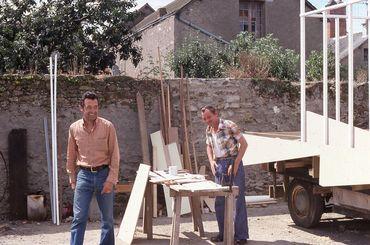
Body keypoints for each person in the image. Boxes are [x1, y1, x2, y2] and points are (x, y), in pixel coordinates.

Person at [66, 91, 120, 245]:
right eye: (89, 107)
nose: (93, 111)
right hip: (83, 175)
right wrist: (72, 177)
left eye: (95, 107)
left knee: (108, 219)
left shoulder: (108, 127)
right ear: (81, 108)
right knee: (79, 217)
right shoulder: (74, 128)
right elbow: (71, 155)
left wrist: (111, 179)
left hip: (104, 174)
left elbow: (115, 155)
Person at [201, 105, 249, 244]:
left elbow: (244, 144)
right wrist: (211, 161)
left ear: (216, 113)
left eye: (209, 117)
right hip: (219, 165)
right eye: (204, 119)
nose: (207, 120)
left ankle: (241, 237)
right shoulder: (209, 129)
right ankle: (224, 234)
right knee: (220, 201)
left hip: (233, 162)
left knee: (237, 200)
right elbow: (208, 146)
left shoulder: (229, 125)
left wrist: (235, 164)